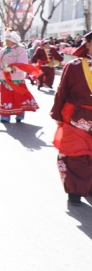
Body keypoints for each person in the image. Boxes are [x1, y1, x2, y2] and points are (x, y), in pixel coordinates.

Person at [51, 31, 92, 206]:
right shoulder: (74, 66)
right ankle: (75, 191)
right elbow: (62, 91)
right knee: (75, 154)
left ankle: (89, 186)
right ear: (88, 44)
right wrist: (57, 113)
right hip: (76, 117)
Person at [0, 29, 39, 123]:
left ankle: (19, 113)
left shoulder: (21, 50)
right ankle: (5, 115)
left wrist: (12, 69)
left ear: (14, 40)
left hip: (16, 78)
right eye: (6, 39)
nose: (6, 41)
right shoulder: (3, 50)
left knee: (18, 97)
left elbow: (23, 64)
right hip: (4, 78)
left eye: (8, 39)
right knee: (6, 97)